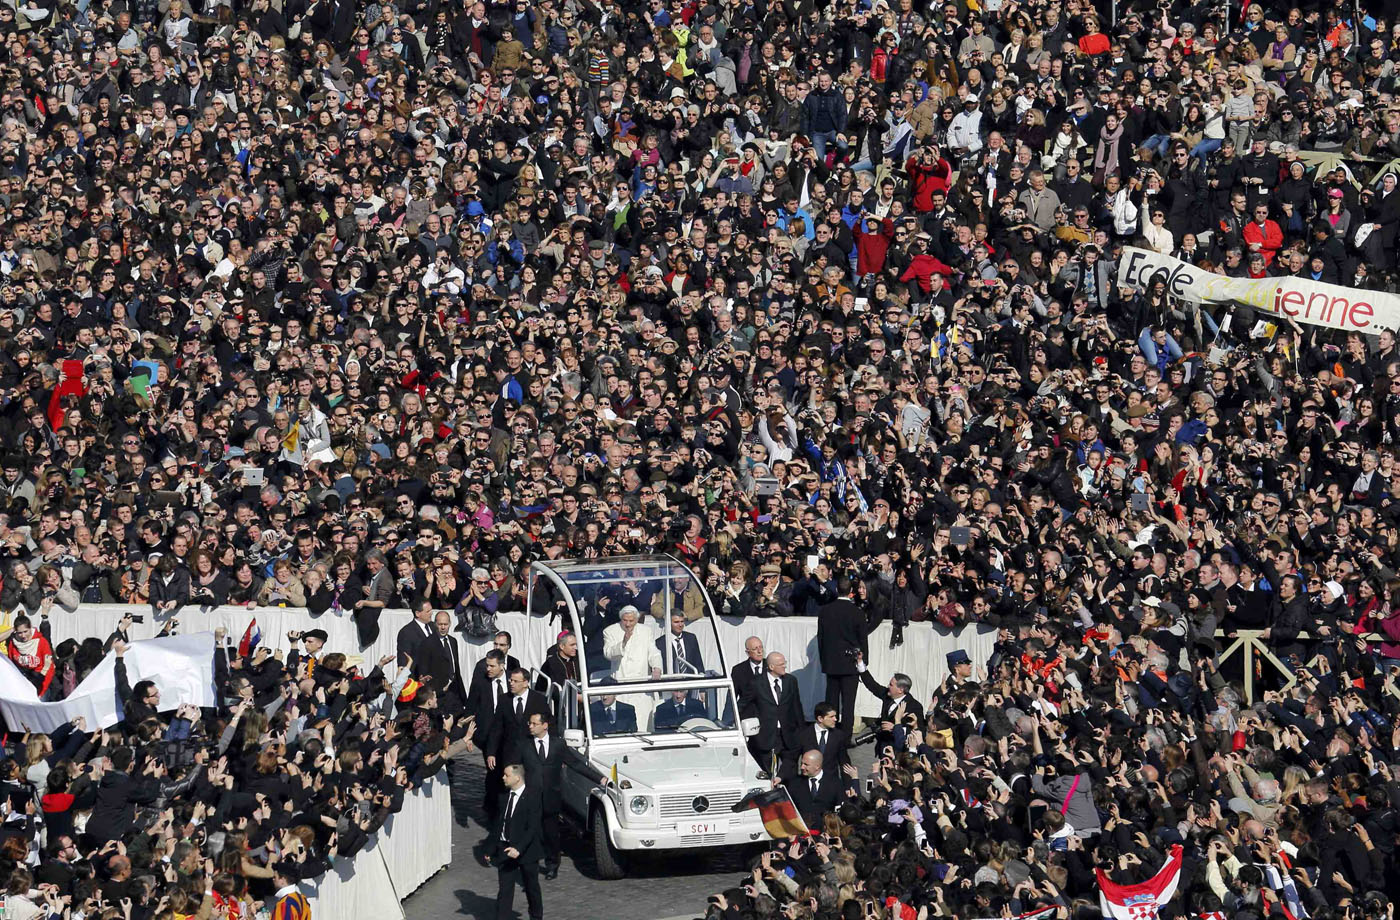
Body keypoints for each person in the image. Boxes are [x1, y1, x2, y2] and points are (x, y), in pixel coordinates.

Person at [489, 763, 544, 920]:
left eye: (507, 775)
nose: (503, 777)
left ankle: (536, 916)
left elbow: (533, 827)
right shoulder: (504, 797)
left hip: (526, 850)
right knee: (505, 889)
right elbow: (498, 825)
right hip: (505, 848)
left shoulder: (532, 796)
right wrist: (490, 848)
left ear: (517, 777)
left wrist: (518, 849)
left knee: (531, 886)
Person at [815, 577, 868, 730]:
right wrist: (863, 663)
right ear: (851, 592)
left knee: (831, 702)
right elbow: (863, 640)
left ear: (837, 590)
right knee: (848, 704)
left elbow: (821, 639)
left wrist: (824, 661)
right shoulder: (857, 612)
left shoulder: (825, 611)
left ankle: (830, 732)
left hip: (831, 663)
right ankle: (844, 737)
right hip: (850, 663)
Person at [521, 712, 563, 879]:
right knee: (532, 833)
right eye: (529, 723)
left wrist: (600, 778)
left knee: (551, 834)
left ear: (545, 725)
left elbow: (575, 763)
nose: (530, 726)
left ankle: (552, 865)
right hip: (532, 798)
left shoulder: (558, 745)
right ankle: (530, 866)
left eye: (534, 723)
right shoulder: (524, 745)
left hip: (551, 798)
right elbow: (515, 766)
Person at [854, 652, 924, 752]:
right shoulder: (887, 695)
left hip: (899, 749)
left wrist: (897, 728)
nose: (888, 686)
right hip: (883, 746)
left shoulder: (914, 706)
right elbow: (872, 685)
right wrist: (860, 662)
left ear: (900, 690)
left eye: (891, 685)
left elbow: (920, 730)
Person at [752, 652, 803, 777]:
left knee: (790, 773)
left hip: (788, 735)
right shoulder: (756, 683)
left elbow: (797, 707)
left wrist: (802, 733)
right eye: (781, 664)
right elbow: (745, 706)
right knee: (770, 775)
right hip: (767, 736)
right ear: (771, 667)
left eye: (785, 663)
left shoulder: (791, 681)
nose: (784, 666)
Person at [782, 750, 842, 829]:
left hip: (825, 831)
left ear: (817, 766)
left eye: (806, 765)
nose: (802, 767)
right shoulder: (794, 783)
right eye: (802, 763)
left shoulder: (835, 783)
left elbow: (839, 808)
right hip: (801, 831)